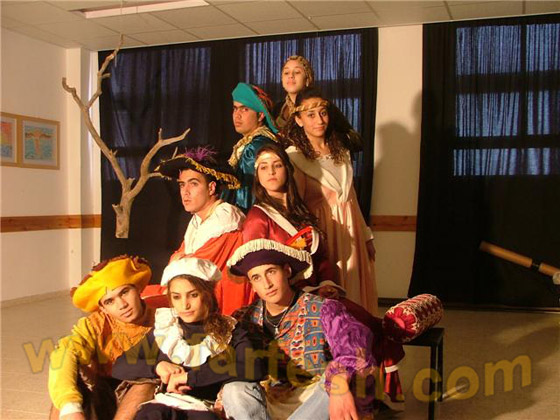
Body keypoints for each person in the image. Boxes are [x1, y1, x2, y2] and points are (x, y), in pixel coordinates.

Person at [228, 239, 377, 420]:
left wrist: (339, 378)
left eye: (271, 272)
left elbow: (355, 349)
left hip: (315, 401)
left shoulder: (324, 309)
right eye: (256, 278)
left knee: (334, 382)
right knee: (233, 389)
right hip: (269, 402)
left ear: (287, 271)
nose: (267, 284)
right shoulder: (244, 318)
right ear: (252, 284)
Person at [112, 258, 268, 420]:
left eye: (193, 295)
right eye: (177, 297)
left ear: (208, 295)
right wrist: (157, 367)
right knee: (151, 414)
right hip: (164, 404)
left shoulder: (230, 331)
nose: (185, 305)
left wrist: (190, 378)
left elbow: (254, 366)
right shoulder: (166, 330)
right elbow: (120, 366)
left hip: (203, 408)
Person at [282, 86, 379, 315]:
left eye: (323, 113)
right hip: (324, 231)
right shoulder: (294, 157)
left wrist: (366, 236)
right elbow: (296, 205)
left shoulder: (341, 150)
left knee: (356, 289)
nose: (319, 120)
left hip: (352, 228)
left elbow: (351, 197)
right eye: (311, 115)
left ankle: (359, 333)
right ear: (298, 120)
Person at [48, 255, 157, 420]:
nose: (122, 305)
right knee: (67, 377)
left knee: (147, 381)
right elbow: (64, 352)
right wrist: (70, 407)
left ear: (137, 289)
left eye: (125, 292)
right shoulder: (95, 324)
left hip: (143, 396)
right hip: (103, 391)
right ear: (103, 308)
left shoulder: (163, 319)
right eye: (110, 301)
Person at [153, 146, 254, 315]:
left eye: (193, 184)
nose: (185, 192)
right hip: (197, 296)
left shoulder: (225, 219)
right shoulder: (198, 218)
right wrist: (179, 260)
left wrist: (179, 260)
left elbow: (193, 269)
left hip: (221, 304)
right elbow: (178, 258)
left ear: (211, 188)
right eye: (182, 185)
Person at [242, 142, 337, 293]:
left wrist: (327, 283)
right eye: (264, 167)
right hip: (284, 296)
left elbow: (320, 257)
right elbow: (256, 267)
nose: (271, 172)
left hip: (317, 290)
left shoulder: (301, 210)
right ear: (257, 176)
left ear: (287, 169)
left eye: (278, 165)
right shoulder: (257, 217)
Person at [272, 55, 363, 154]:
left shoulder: (323, 106)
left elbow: (356, 141)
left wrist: (326, 138)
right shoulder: (278, 109)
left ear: (307, 78)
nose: (291, 76)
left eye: (297, 72)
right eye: (286, 73)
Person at [227, 82, 278, 212]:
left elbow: (247, 196)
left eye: (244, 109)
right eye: (235, 108)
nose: (237, 115)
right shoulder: (252, 142)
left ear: (260, 115)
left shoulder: (255, 147)